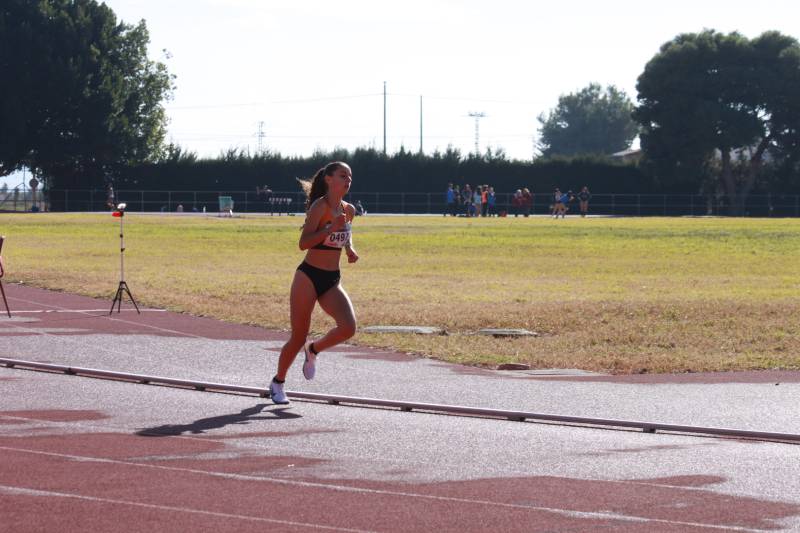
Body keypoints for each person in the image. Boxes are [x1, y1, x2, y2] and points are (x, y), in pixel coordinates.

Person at [268, 161, 359, 405]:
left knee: (348, 327)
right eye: (343, 176)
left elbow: (346, 234)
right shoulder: (320, 207)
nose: (348, 180)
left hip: (331, 279)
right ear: (329, 179)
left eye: (350, 176)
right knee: (298, 336)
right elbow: (304, 243)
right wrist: (329, 228)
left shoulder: (349, 209)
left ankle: (314, 350)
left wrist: (350, 249)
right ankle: (278, 382)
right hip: (308, 277)